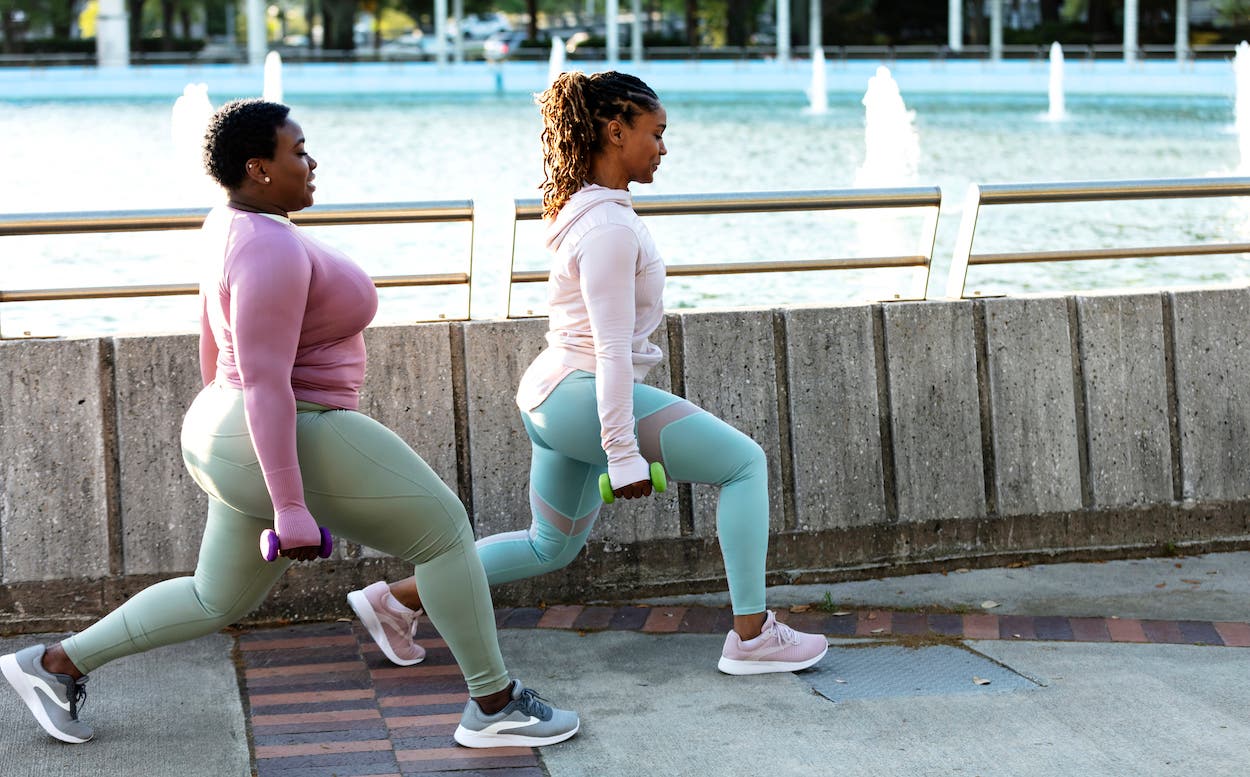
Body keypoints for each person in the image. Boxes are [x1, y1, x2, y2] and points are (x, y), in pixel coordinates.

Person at [0, 98, 578, 750]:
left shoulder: (231, 223)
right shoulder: (268, 247)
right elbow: (267, 378)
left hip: (229, 426)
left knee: (216, 597)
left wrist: (234, 443)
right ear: (259, 168)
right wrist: (290, 504)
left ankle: (53, 665)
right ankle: (495, 702)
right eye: (297, 150)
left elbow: (213, 342)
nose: (311, 161)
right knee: (444, 534)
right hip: (281, 426)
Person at [348, 71, 828, 677]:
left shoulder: (588, 212)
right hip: (579, 393)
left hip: (553, 398)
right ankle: (753, 636)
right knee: (744, 464)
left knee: (549, 545)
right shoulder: (607, 227)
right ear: (614, 129)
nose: (663, 148)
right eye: (655, 134)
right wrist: (621, 451)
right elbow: (610, 349)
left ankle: (393, 600)